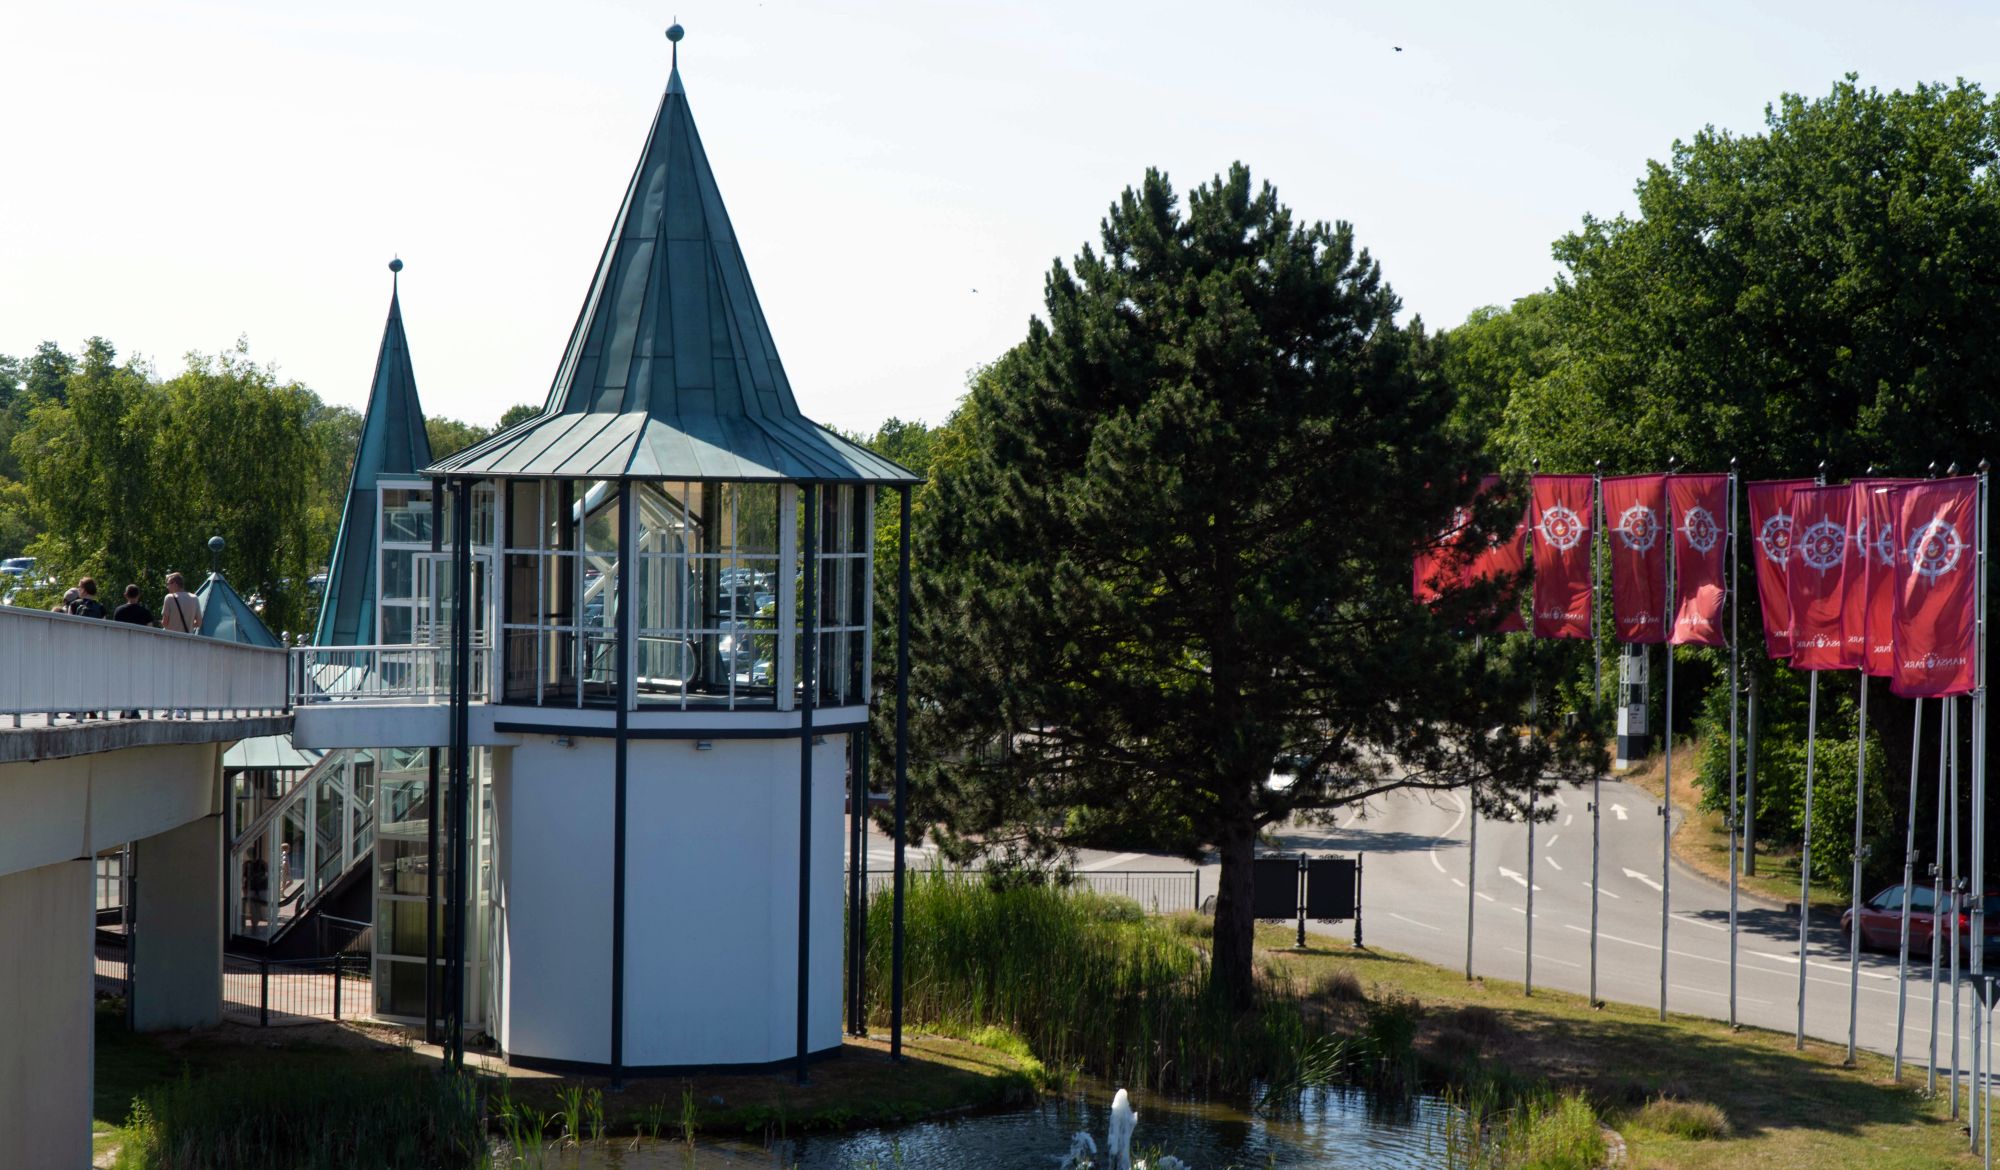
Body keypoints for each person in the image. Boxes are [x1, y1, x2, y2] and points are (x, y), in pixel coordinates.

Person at [111, 585, 152, 718]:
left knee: (124, 679)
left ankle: (125, 707)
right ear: (138, 595)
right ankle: (134, 708)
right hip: (140, 650)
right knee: (137, 680)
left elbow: (115, 631)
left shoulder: (119, 611)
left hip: (123, 649)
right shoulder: (145, 612)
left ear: (125, 595)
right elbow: (150, 631)